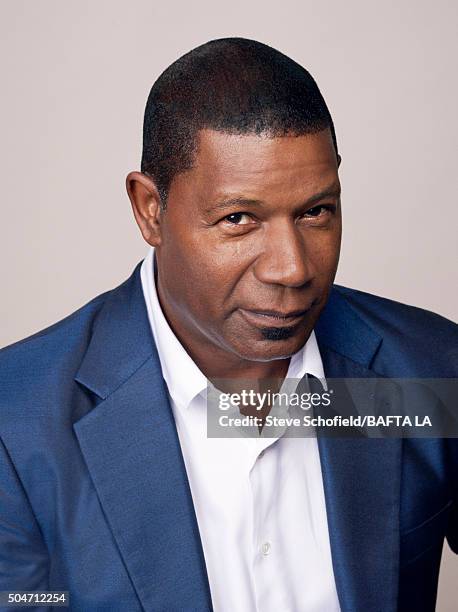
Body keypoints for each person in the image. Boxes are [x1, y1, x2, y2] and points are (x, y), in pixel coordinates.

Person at [0, 37, 457, 612]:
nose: (291, 268)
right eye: (238, 219)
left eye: (316, 211)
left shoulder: (435, 371)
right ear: (149, 209)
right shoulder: (15, 424)